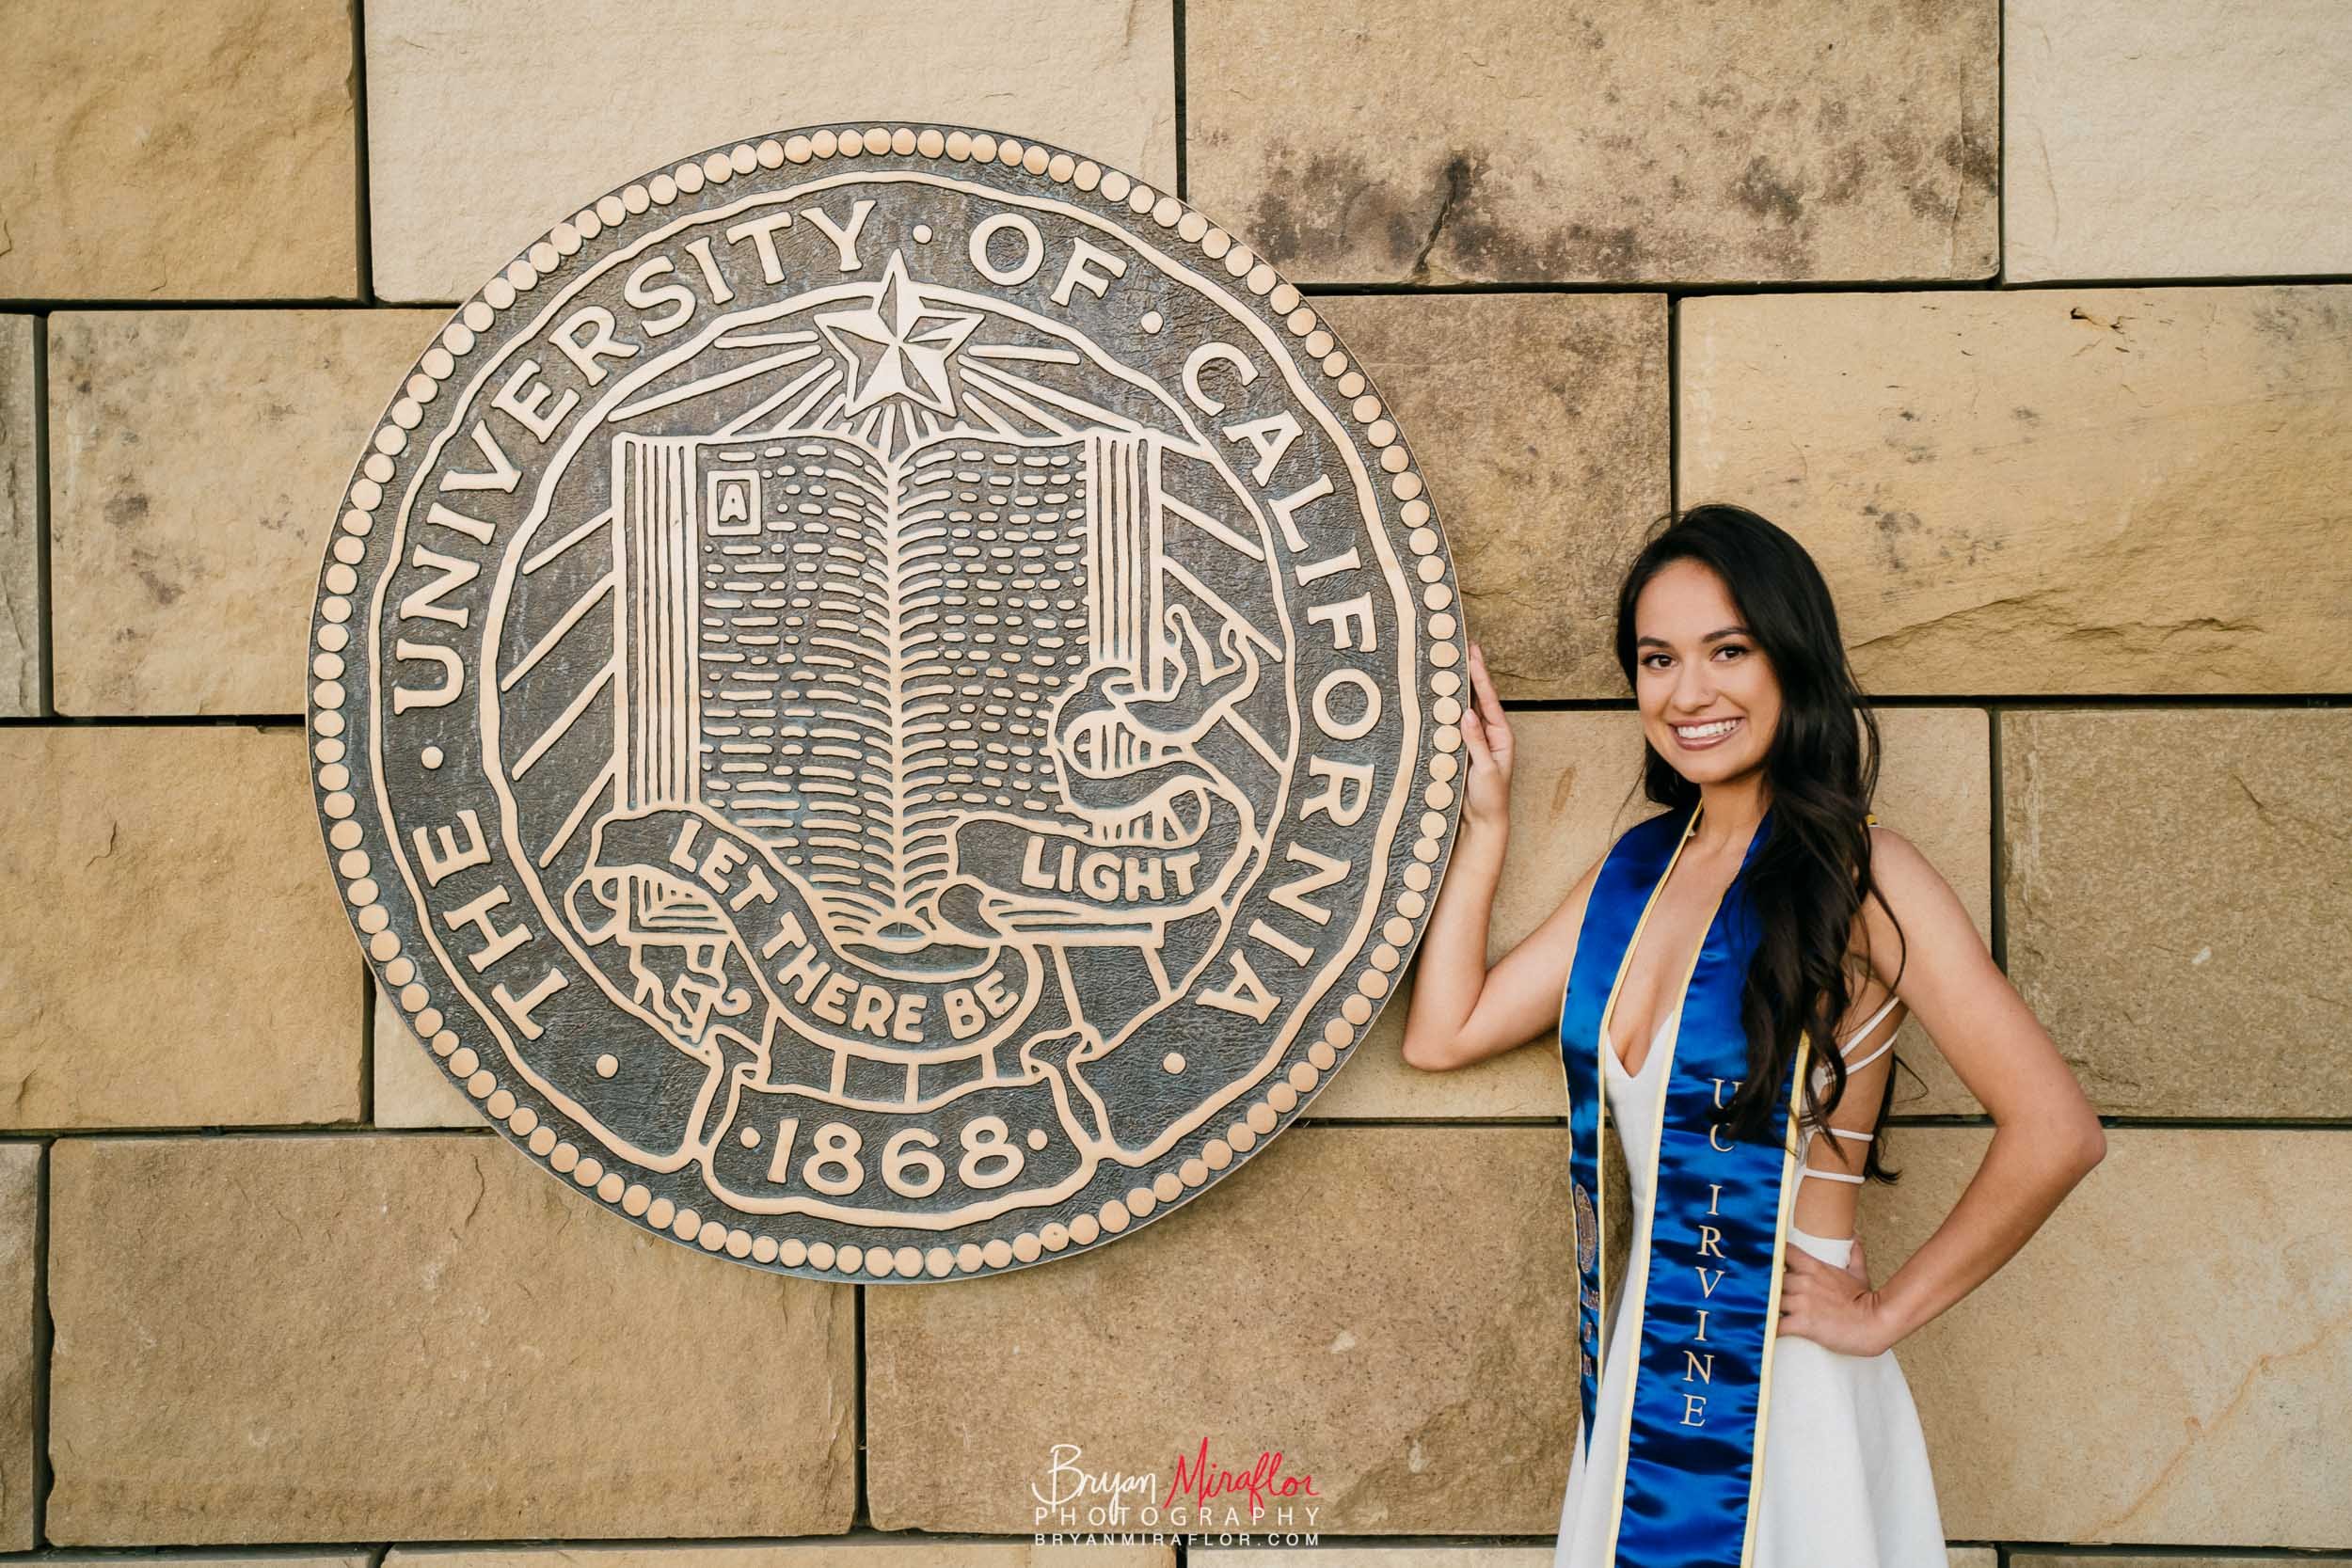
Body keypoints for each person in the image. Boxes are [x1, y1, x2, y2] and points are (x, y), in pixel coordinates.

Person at [1401, 504, 2106, 1566]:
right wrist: (1487, 822)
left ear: (1790, 658)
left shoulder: (1863, 878)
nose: (1687, 693)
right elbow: (1443, 1031)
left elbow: (2056, 1129)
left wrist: (1879, 1314)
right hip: (1649, 1371)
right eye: (1657, 658)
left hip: (1788, 1387)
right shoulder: (1637, 874)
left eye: (1726, 650)